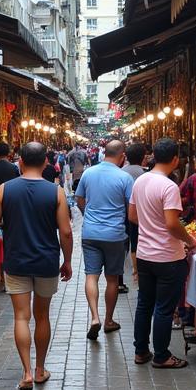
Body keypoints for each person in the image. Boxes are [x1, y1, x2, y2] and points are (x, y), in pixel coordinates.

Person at [0, 141, 73, 390]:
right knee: (42, 315)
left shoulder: (4, 190)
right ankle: (40, 368)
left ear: (20, 161)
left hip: (16, 260)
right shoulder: (56, 192)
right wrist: (67, 261)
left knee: (21, 316)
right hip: (46, 261)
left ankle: (25, 373)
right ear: (46, 162)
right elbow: (65, 232)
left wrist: (7, 227)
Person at [130, 138, 196, 369]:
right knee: (163, 308)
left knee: (144, 303)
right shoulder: (169, 186)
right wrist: (190, 240)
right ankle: (161, 355)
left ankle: (141, 351)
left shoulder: (141, 180)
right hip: (168, 257)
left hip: (144, 255)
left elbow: (132, 216)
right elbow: (172, 224)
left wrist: (150, 226)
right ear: (175, 159)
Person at [75, 140, 133, 340]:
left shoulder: (88, 173)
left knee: (91, 276)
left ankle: (94, 317)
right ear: (122, 156)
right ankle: (108, 320)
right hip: (115, 235)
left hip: (90, 233)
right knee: (112, 279)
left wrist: (87, 214)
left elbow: (79, 199)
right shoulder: (124, 177)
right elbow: (130, 207)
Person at [122, 142, 147, 282]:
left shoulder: (121, 172)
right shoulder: (144, 173)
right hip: (140, 213)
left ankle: (134, 271)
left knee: (130, 240)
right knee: (137, 240)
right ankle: (138, 271)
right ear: (143, 157)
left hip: (124, 212)